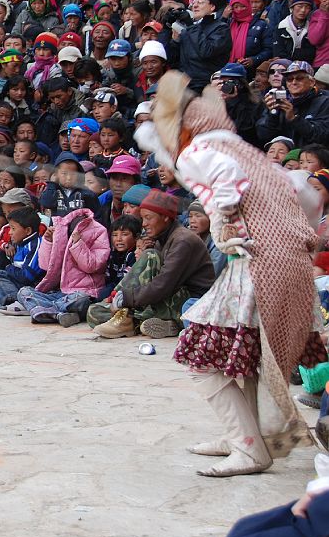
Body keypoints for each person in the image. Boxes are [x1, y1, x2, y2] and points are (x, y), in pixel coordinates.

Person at [141, 71, 328, 477]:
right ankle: (245, 436)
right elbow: (308, 196)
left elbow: (225, 181)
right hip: (287, 264)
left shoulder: (200, 151)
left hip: (256, 266)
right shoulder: (253, 154)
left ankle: (248, 447)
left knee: (202, 358)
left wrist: (225, 223)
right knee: (240, 358)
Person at [88, 189, 215, 340]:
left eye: (148, 218)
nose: (144, 224)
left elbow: (162, 285)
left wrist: (126, 298)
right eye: (143, 218)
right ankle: (151, 322)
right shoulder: (162, 237)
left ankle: (132, 319)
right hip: (165, 297)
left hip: (190, 303)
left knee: (150, 256)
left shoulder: (183, 240)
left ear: (166, 217)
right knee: (93, 311)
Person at [177, 0, 232, 92]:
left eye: (200, 3)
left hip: (208, 86)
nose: (195, 6)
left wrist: (190, 25)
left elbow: (206, 51)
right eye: (193, 3)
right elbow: (172, 58)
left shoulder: (221, 28)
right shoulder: (189, 29)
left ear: (212, 7)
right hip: (185, 86)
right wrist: (166, 28)